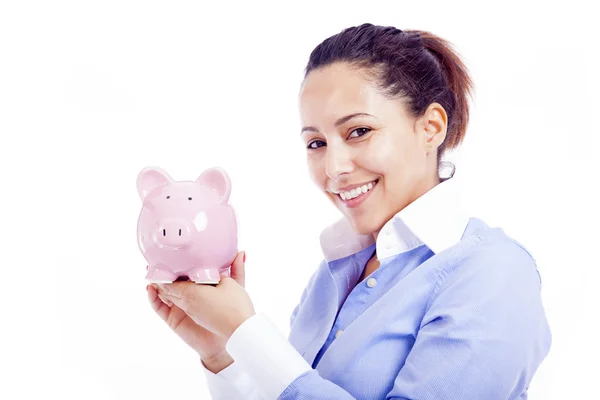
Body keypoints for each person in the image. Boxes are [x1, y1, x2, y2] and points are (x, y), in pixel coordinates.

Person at [146, 23, 552, 399]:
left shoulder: (494, 273)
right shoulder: (335, 273)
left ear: (430, 128)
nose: (333, 168)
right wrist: (223, 352)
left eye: (359, 131)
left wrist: (247, 331)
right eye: (316, 143)